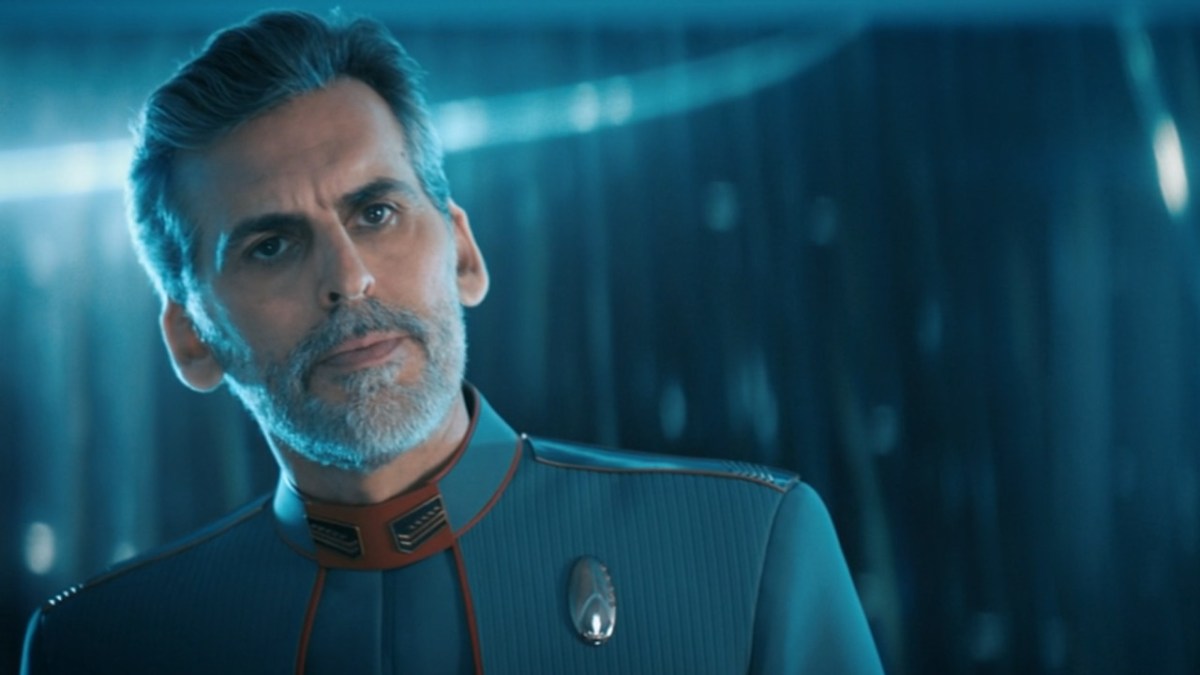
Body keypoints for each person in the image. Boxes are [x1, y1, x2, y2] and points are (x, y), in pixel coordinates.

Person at [21, 10, 884, 674]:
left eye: (376, 211)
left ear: (464, 251)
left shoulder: (747, 549)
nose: (349, 277)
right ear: (191, 340)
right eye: (271, 246)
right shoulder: (101, 646)